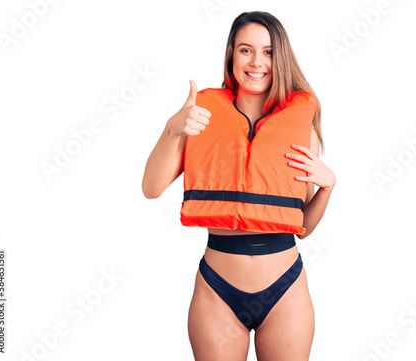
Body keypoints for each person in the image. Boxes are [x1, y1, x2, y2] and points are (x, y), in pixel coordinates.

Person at [142, 11, 335, 361]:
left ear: (281, 58)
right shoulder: (200, 117)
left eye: (268, 52)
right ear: (231, 54)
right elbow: (151, 188)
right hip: (217, 289)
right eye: (246, 50)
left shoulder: (299, 123)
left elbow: (303, 227)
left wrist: (328, 187)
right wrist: (173, 128)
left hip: (285, 291)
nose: (257, 62)